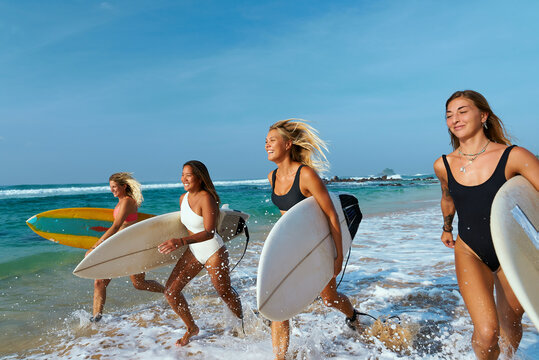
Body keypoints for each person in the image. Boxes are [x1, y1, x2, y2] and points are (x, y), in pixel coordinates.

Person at [433, 90, 539, 359]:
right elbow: (447, 197)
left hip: (512, 252)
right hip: (470, 250)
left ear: (483, 116)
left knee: (510, 325)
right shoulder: (443, 164)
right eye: (449, 115)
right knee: (487, 331)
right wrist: (447, 227)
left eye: (462, 111)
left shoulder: (514, 156)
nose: (454, 119)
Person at [265, 119, 362, 360]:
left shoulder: (306, 174)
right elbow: (286, 220)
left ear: (288, 144)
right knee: (280, 307)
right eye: (265, 141)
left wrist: (337, 254)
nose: (267, 145)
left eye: (272, 140)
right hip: (290, 249)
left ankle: (352, 316)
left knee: (329, 299)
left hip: (315, 247)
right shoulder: (272, 176)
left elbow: (331, 214)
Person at [157, 160, 243, 347]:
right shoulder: (182, 199)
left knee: (225, 292)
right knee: (171, 292)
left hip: (213, 250)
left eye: (188, 175)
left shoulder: (206, 198)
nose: (184, 179)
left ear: (199, 177)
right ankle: (191, 328)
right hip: (194, 250)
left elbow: (209, 231)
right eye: (182, 175)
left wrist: (179, 242)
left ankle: (241, 326)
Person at [85, 172, 165, 322]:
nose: (112, 190)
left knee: (139, 283)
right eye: (111, 187)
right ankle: (96, 319)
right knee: (99, 282)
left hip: (131, 247)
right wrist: (103, 230)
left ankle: (170, 293)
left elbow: (116, 226)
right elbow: (123, 225)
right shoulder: (121, 202)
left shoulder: (128, 201)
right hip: (118, 246)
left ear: (124, 186)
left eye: (114, 187)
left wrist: (95, 247)